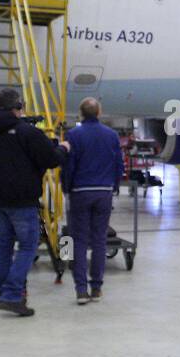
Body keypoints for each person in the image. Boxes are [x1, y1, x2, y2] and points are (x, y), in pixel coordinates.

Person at [0, 88, 68, 317]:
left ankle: (3, 291)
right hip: (23, 201)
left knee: (4, 246)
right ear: (17, 108)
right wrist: (62, 148)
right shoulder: (27, 132)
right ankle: (12, 295)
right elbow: (51, 159)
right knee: (27, 246)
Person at [62, 97, 124, 305]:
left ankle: (81, 290)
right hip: (103, 191)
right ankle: (96, 287)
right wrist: (113, 186)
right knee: (99, 240)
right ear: (99, 113)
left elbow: (69, 165)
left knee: (79, 240)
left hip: (80, 191)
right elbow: (118, 164)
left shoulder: (74, 135)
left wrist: (66, 187)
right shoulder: (112, 135)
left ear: (81, 114)